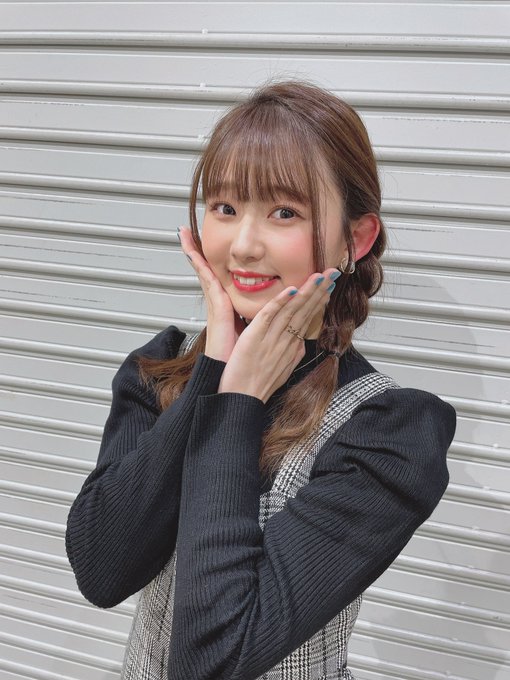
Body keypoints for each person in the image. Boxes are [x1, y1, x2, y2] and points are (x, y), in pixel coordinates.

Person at [65, 78, 457, 680]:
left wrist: (238, 404)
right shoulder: (158, 370)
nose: (243, 246)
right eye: (225, 208)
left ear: (356, 239)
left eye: (284, 212)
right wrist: (211, 374)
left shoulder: (389, 433)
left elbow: (217, 657)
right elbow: (102, 570)